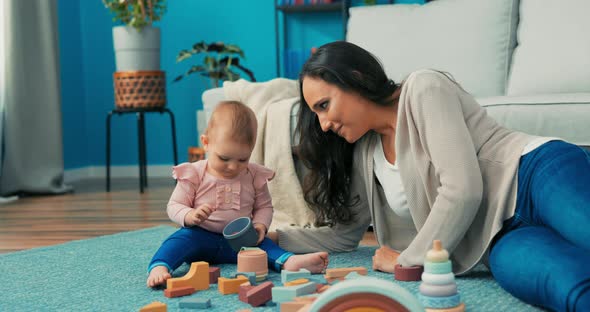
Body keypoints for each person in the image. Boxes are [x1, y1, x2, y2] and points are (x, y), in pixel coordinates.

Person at [267, 41, 590, 311]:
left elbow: (462, 190)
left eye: (324, 105)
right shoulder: (364, 153)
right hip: (498, 239)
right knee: (572, 290)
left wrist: (408, 262)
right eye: (315, 113)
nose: (323, 124)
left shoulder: (423, 87)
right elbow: (344, 235)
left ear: (355, 78)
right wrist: (275, 238)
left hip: (534, 174)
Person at [147, 100, 328, 287]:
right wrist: (190, 215)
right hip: (200, 236)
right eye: (224, 158)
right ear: (206, 143)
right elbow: (174, 205)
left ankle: (289, 262)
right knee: (178, 241)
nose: (233, 166)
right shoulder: (194, 173)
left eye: (243, 159)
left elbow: (264, 206)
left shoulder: (254, 175)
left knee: (263, 245)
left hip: (239, 241)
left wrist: (260, 225)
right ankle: (160, 267)